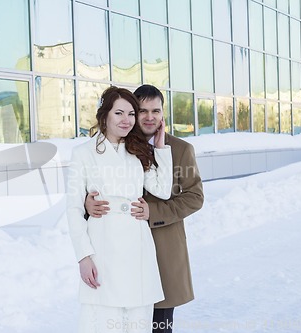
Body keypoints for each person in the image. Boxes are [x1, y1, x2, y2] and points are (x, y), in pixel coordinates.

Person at [85, 84, 204, 333]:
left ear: (163, 114)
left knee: (159, 327)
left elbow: (194, 197)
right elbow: (96, 187)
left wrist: (154, 212)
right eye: (142, 111)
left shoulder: (181, 150)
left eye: (156, 111)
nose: (150, 117)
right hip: (119, 252)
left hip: (163, 251)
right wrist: (88, 202)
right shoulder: (116, 146)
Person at [67, 86, 174, 333]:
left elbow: (163, 190)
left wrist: (160, 146)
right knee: (104, 319)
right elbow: (73, 208)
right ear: (104, 116)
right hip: (102, 246)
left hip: (137, 244)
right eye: (119, 113)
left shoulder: (138, 150)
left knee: (137, 319)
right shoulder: (82, 153)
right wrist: (84, 257)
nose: (127, 120)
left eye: (131, 114)